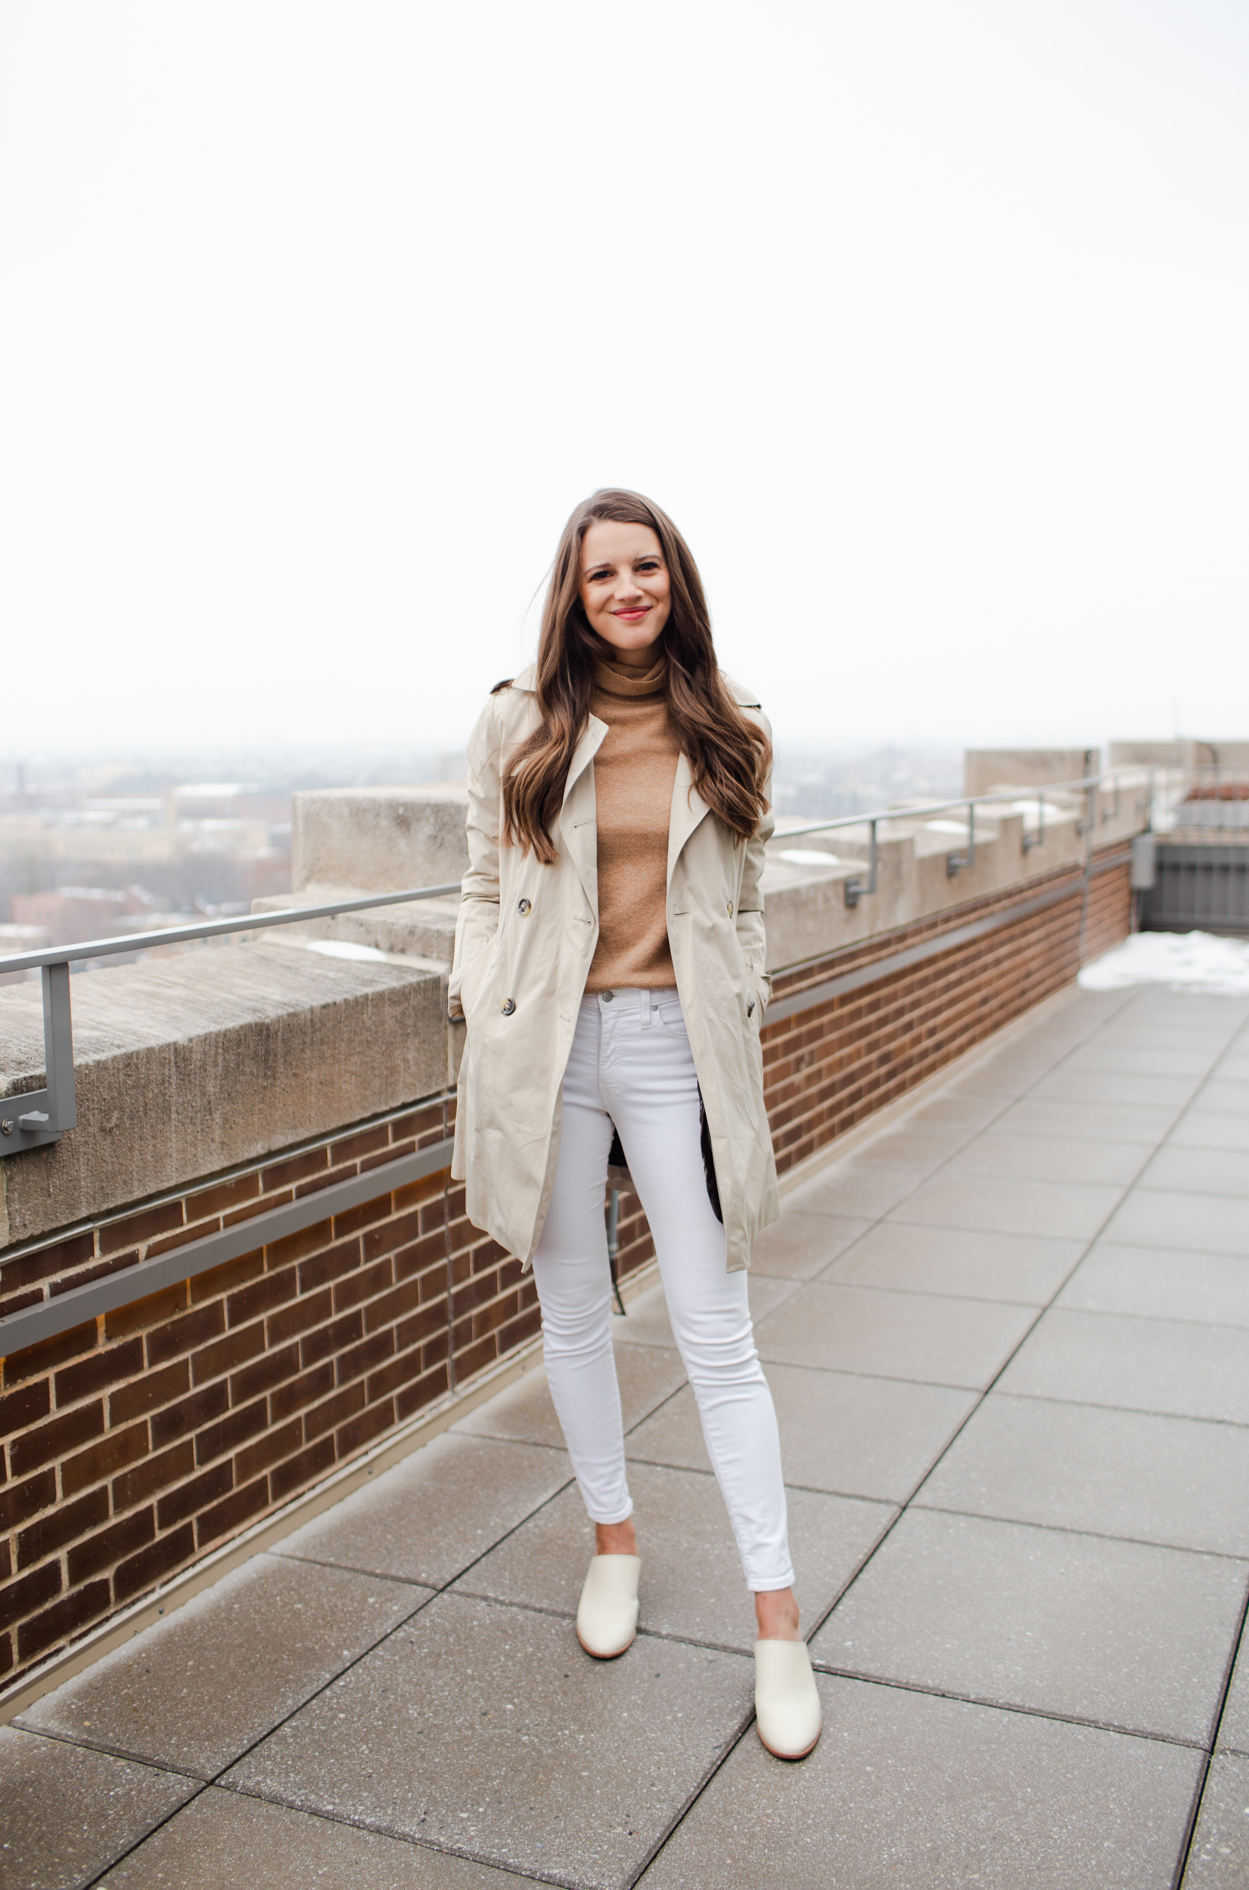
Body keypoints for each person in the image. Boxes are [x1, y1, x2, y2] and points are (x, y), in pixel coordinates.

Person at [448, 488, 821, 1760]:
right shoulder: (519, 721)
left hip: (675, 1051)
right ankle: (614, 1544)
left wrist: (743, 986)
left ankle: (779, 1623)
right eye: (603, 572)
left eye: (644, 568)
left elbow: (752, 897)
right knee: (569, 1313)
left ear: (674, 581)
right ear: (575, 587)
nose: (625, 590)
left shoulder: (732, 728)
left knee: (719, 1337)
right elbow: (484, 880)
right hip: (548, 1049)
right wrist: (478, 999)